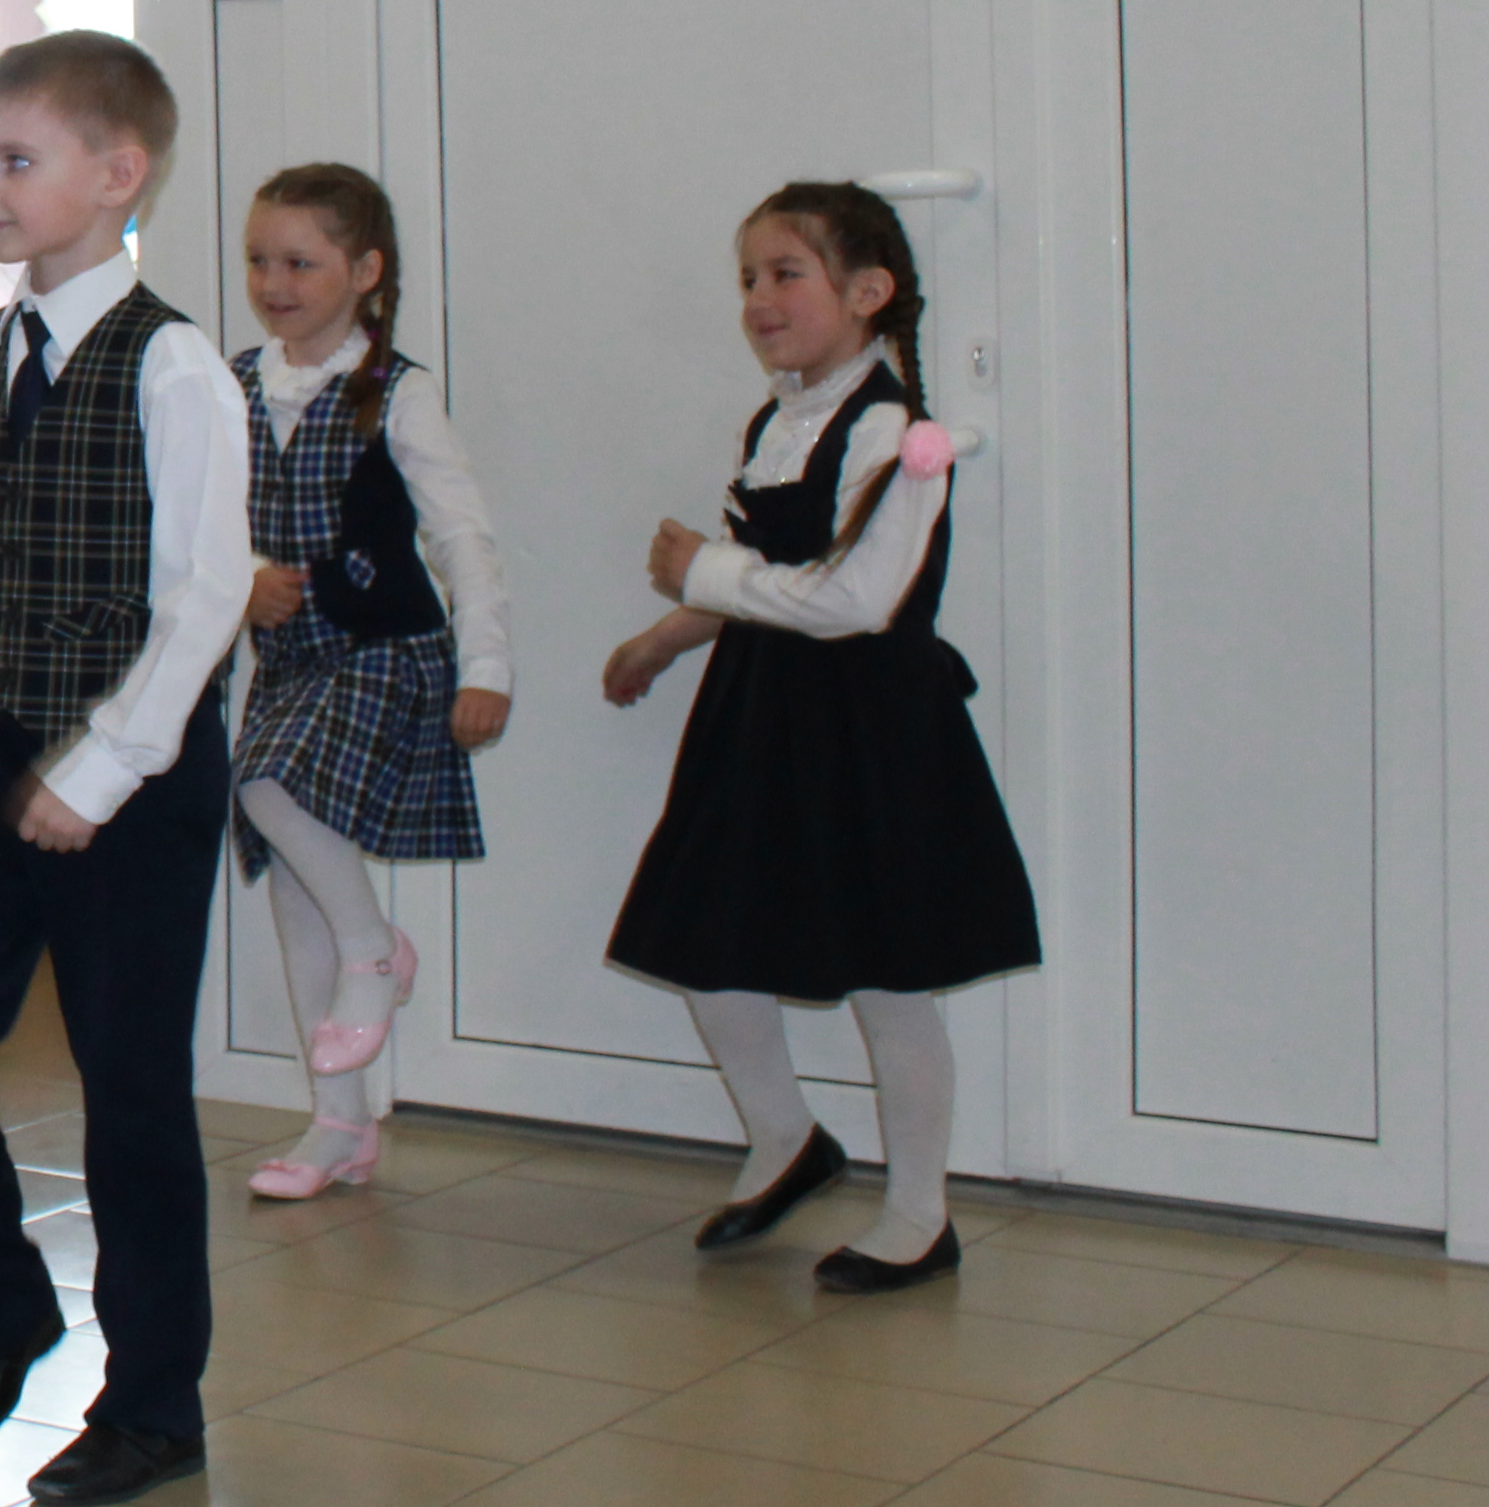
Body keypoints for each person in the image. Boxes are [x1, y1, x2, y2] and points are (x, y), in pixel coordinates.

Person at [0, 30, 250, 1507]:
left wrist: (107, 768)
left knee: (130, 1089)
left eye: (17, 160)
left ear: (118, 173)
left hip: (135, 773)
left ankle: (154, 1405)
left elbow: (206, 593)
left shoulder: (175, 364)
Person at [602, 181, 1041, 1292]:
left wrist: (702, 570)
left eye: (785, 274)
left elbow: (855, 599)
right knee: (703, 934)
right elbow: (770, 575)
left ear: (868, 291)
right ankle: (787, 1139)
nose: (759, 299)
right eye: (748, 278)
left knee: (890, 977)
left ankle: (920, 1211)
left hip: (868, 734)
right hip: (762, 717)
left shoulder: (895, 433)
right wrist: (669, 633)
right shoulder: (778, 420)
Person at [225, 163, 512, 1200]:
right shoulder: (235, 383)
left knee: (265, 782)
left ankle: (375, 952)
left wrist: (488, 664)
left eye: (301, 263)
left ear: (366, 271)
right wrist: (243, 580)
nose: (275, 283)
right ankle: (339, 1124)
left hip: (386, 651)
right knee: (293, 886)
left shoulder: (398, 391)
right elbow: (196, 522)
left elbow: (461, 534)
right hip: (292, 662)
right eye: (260, 260)